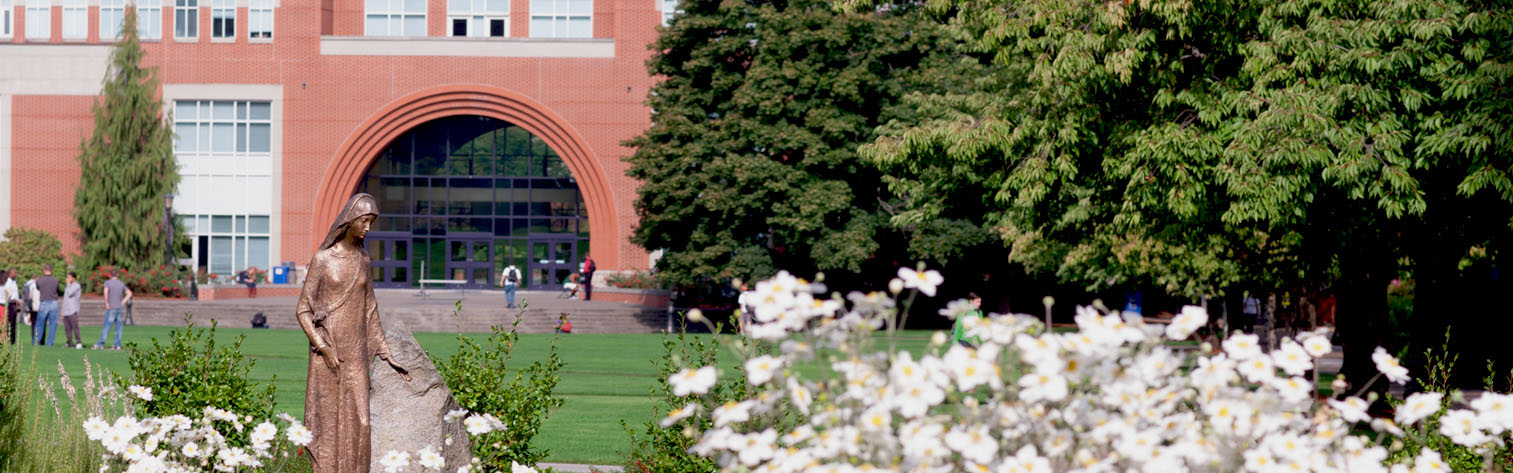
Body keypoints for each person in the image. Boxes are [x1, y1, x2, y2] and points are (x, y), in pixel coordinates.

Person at [295, 193, 410, 473]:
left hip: (356, 353)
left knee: (361, 419)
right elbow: (303, 309)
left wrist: (385, 352)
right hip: (329, 353)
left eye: (371, 222)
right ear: (349, 221)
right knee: (328, 419)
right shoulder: (323, 259)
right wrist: (323, 347)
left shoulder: (364, 260)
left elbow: (370, 308)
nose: (368, 227)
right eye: (364, 221)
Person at [94, 269, 131, 350]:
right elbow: (129, 293)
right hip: (119, 308)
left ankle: (100, 343)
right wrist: (123, 302)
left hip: (111, 308)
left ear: (109, 275)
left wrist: (107, 303)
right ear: (117, 274)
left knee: (107, 326)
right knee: (119, 328)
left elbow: (106, 293)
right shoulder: (121, 283)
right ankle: (117, 345)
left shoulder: (108, 283)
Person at [33, 264, 60, 346]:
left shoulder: (40, 280)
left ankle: (36, 343)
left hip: (44, 302)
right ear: (51, 270)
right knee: (53, 325)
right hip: (54, 303)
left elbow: (38, 288)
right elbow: (57, 290)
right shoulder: (56, 280)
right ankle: (50, 343)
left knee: (39, 324)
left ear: (44, 270)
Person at [61, 271, 83, 348]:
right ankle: (69, 343)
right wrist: (62, 310)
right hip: (66, 310)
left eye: (69, 277)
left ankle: (78, 342)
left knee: (75, 327)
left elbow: (70, 293)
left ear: (74, 278)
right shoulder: (68, 286)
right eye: (67, 277)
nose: (67, 279)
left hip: (73, 310)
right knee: (67, 328)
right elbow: (65, 299)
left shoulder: (76, 286)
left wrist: (68, 284)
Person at [0, 270, 11, 344]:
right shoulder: (5, 286)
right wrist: (7, 299)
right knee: (3, 326)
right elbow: (10, 294)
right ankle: (3, 341)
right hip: (3, 306)